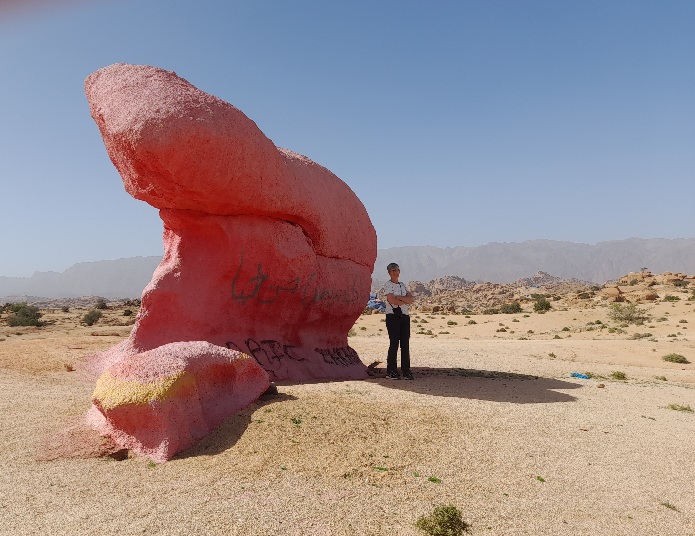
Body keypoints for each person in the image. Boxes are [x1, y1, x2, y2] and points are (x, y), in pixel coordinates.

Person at [382, 262, 414, 380]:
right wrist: (403, 300)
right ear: (389, 272)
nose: (396, 272)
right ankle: (391, 371)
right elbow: (391, 300)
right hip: (393, 316)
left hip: (404, 316)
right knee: (394, 343)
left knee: (405, 344)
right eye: (393, 270)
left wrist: (399, 298)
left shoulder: (402, 285)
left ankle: (406, 371)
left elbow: (411, 299)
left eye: (397, 270)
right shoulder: (388, 285)